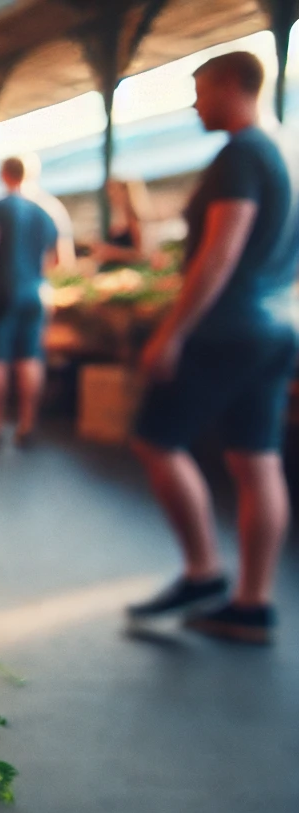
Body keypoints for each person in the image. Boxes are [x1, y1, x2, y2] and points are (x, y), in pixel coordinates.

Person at [128, 51, 298, 645]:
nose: (194, 103)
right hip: (277, 324)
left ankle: (203, 570)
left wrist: (171, 332)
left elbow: (220, 254)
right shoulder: (284, 154)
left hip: (227, 327)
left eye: (199, 90)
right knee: (257, 460)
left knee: (155, 438)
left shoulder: (241, 155)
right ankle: (251, 604)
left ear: (231, 84)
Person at [0, 155, 62, 448]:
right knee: (30, 357)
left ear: (4, 174)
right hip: (34, 293)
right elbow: (54, 261)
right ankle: (27, 424)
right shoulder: (44, 214)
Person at [94, 177, 150, 268]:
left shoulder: (133, 217)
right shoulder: (116, 216)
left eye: (114, 190)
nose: (110, 195)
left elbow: (140, 254)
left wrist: (112, 253)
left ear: (126, 191)